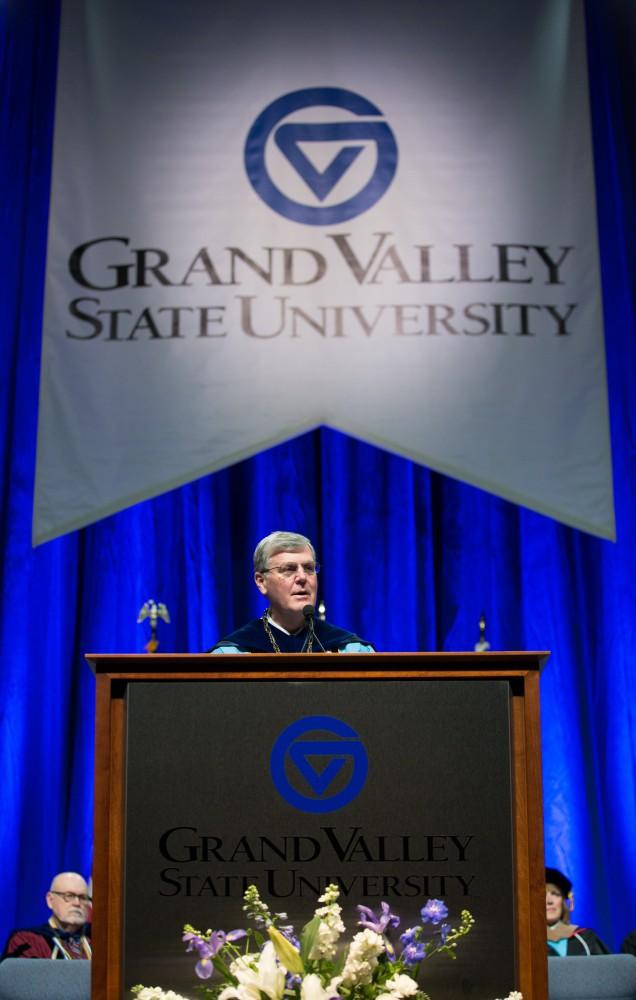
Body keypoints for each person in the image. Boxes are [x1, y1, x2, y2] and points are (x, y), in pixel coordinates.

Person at [211, 530, 374, 653]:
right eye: (288, 569)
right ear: (261, 582)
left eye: (309, 568)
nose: (302, 577)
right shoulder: (232, 655)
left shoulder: (351, 650)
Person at [1, 872, 92, 960]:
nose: (77, 903)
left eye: (83, 897)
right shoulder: (27, 940)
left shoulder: (99, 938)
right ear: (50, 900)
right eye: (69, 896)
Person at [546, 866, 609, 956]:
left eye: (555, 894)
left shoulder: (585, 938)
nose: (549, 901)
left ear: (563, 902)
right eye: (542, 895)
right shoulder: (525, 942)